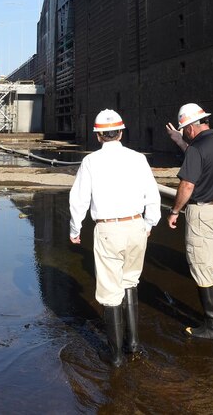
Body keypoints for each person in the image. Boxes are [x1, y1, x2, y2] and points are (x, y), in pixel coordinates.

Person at [69, 109, 162, 366]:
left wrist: (75, 229)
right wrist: (149, 222)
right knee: (130, 281)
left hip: (109, 229)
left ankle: (116, 355)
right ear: (121, 132)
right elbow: (152, 195)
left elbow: (79, 200)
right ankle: (133, 343)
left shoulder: (90, 162)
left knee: (111, 291)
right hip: (136, 225)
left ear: (98, 136)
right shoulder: (138, 158)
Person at [165, 103, 213, 339]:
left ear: (189, 128)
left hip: (202, 213)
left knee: (200, 267)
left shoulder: (196, 150)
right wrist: (179, 140)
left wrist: (175, 210)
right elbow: (200, 157)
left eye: (184, 130)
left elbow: (187, 185)